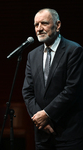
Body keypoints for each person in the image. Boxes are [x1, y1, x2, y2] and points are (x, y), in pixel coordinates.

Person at [22, 8, 83, 150]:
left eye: (44, 23)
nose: (39, 28)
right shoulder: (32, 55)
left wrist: (47, 114)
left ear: (58, 25)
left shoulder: (74, 50)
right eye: (36, 25)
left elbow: (72, 89)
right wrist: (40, 120)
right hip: (42, 134)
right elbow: (27, 91)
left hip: (68, 132)